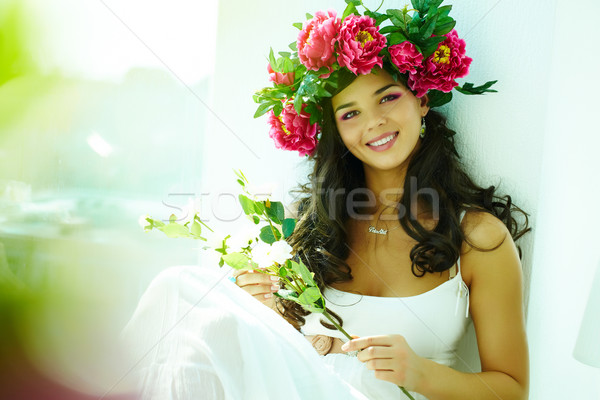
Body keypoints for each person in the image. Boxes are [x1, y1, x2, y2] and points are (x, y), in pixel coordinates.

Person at [122, 3, 530, 399]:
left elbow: (512, 390)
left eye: (388, 98)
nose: (374, 122)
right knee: (181, 290)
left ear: (421, 100)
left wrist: (421, 373)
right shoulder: (310, 226)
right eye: (350, 114)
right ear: (335, 132)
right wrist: (260, 304)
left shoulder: (477, 238)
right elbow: (288, 350)